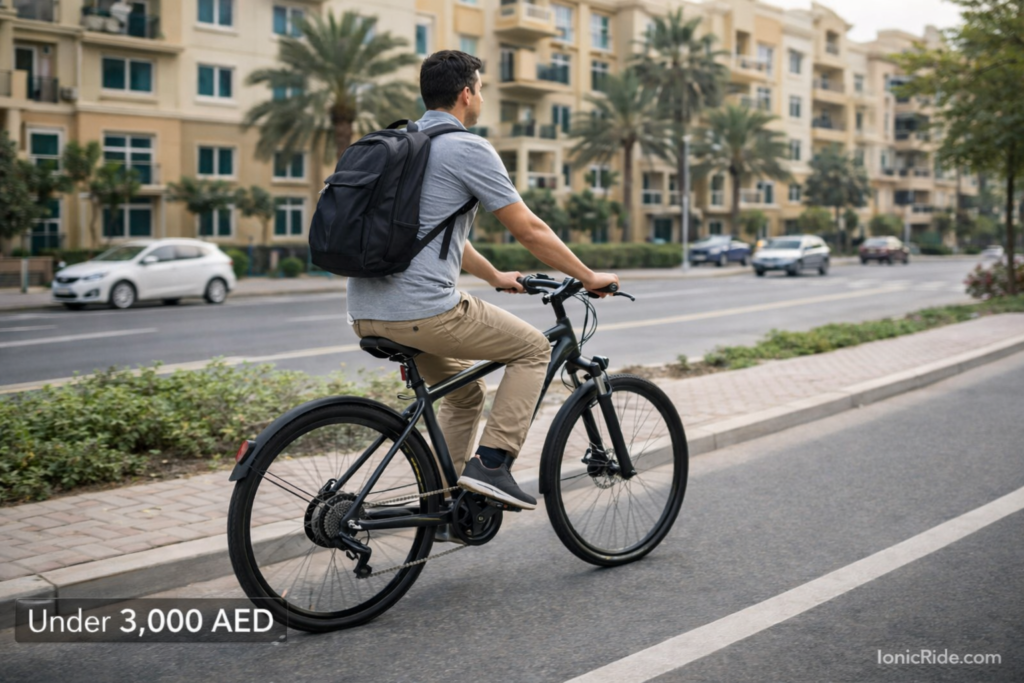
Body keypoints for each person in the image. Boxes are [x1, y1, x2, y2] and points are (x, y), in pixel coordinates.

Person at [347, 50, 618, 515]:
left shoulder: (402, 144)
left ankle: (443, 502)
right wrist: (589, 276)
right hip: (424, 312)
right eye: (482, 88)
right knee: (533, 348)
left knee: (465, 392)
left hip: (365, 310)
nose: (483, 97)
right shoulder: (465, 147)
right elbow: (529, 229)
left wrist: (493, 276)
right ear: (467, 93)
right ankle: (492, 465)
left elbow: (426, 232)